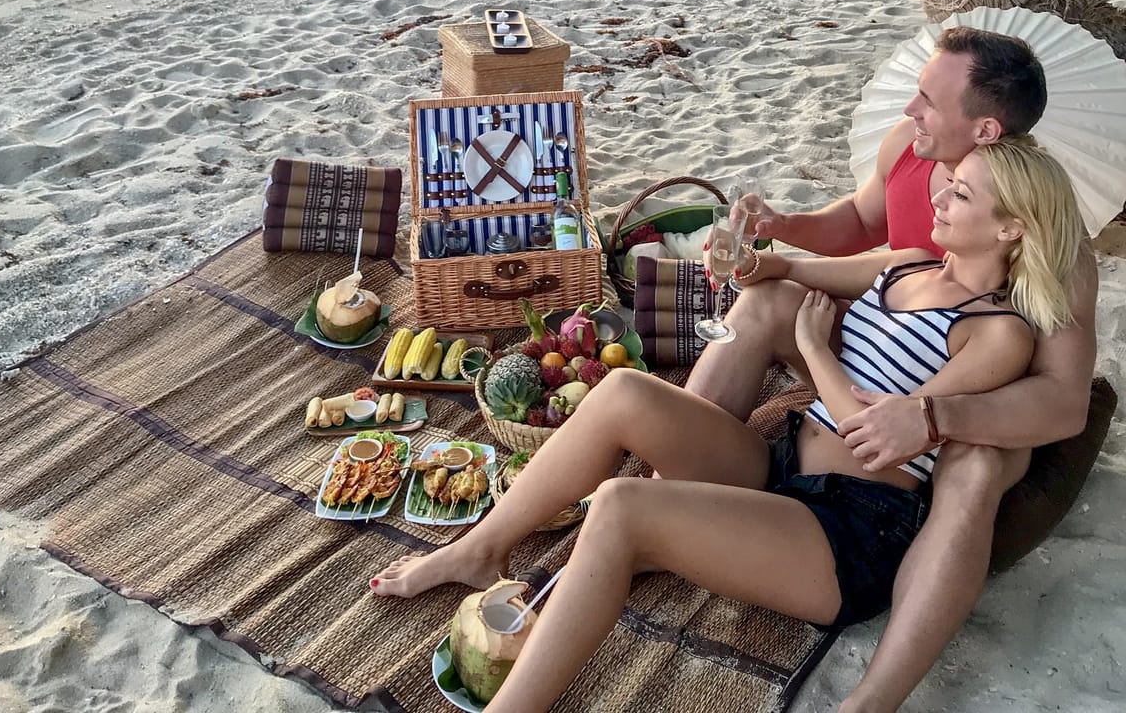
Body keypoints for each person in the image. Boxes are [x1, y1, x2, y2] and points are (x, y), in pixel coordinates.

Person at [370, 138, 1086, 713]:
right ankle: (481, 548)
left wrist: (813, 350)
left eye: (961, 193)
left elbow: (878, 441)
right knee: (623, 389)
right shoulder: (907, 264)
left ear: (1011, 228)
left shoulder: (998, 334)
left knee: (623, 504)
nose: (938, 195)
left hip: (853, 530)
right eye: (947, 182)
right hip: (784, 467)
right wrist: (747, 259)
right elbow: (787, 271)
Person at [685, 27, 1098, 713]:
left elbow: (1061, 400)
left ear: (985, 129)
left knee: (975, 466)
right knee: (764, 302)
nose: (911, 109)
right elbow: (856, 221)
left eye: (929, 100)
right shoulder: (911, 148)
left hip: (975, 384)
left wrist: (935, 416)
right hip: (890, 334)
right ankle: (687, 473)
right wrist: (780, 226)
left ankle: (872, 697)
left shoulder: (1048, 236)